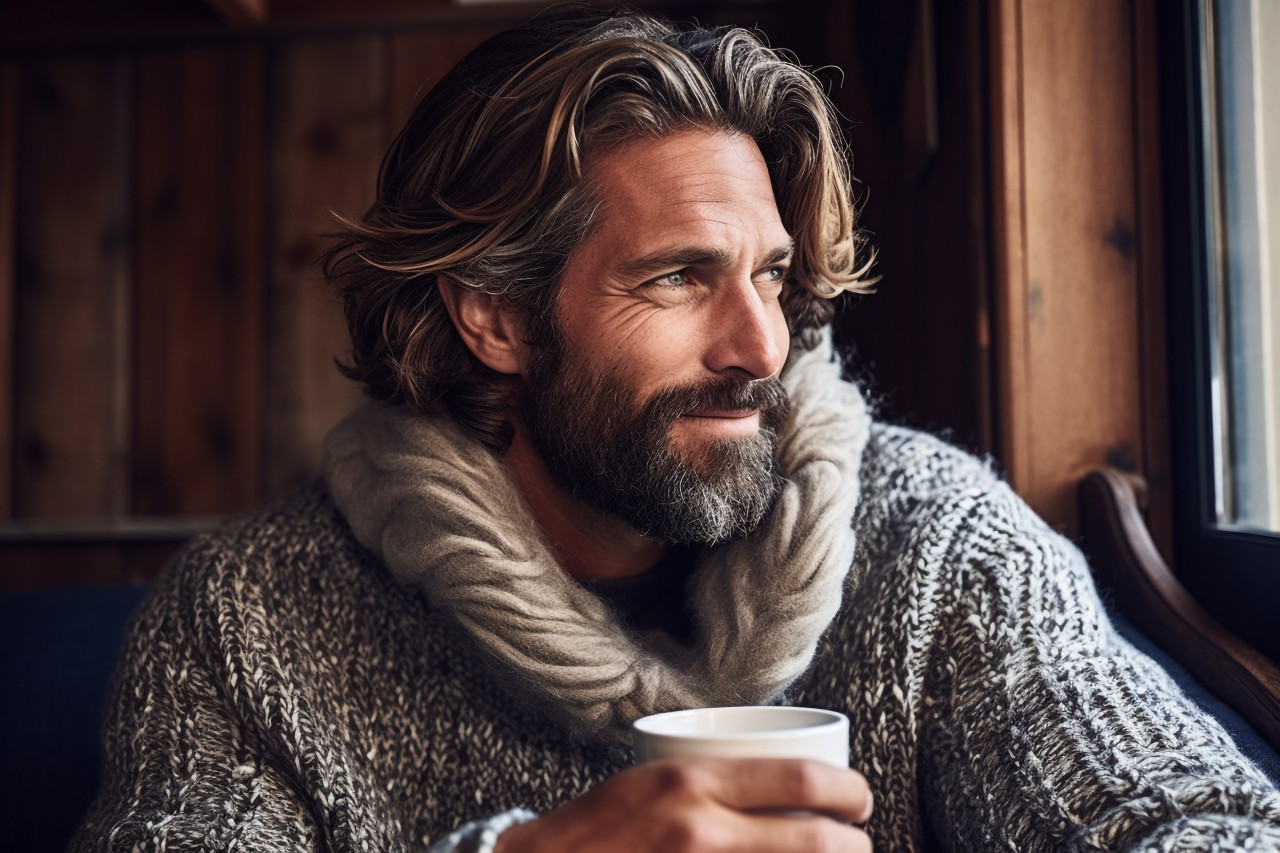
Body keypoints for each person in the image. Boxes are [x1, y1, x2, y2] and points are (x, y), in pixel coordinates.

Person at [74, 6, 1280, 852]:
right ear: (493, 315)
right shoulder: (248, 618)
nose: (762, 346)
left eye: (768, 276)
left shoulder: (932, 540)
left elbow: (1180, 816)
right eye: (674, 278)